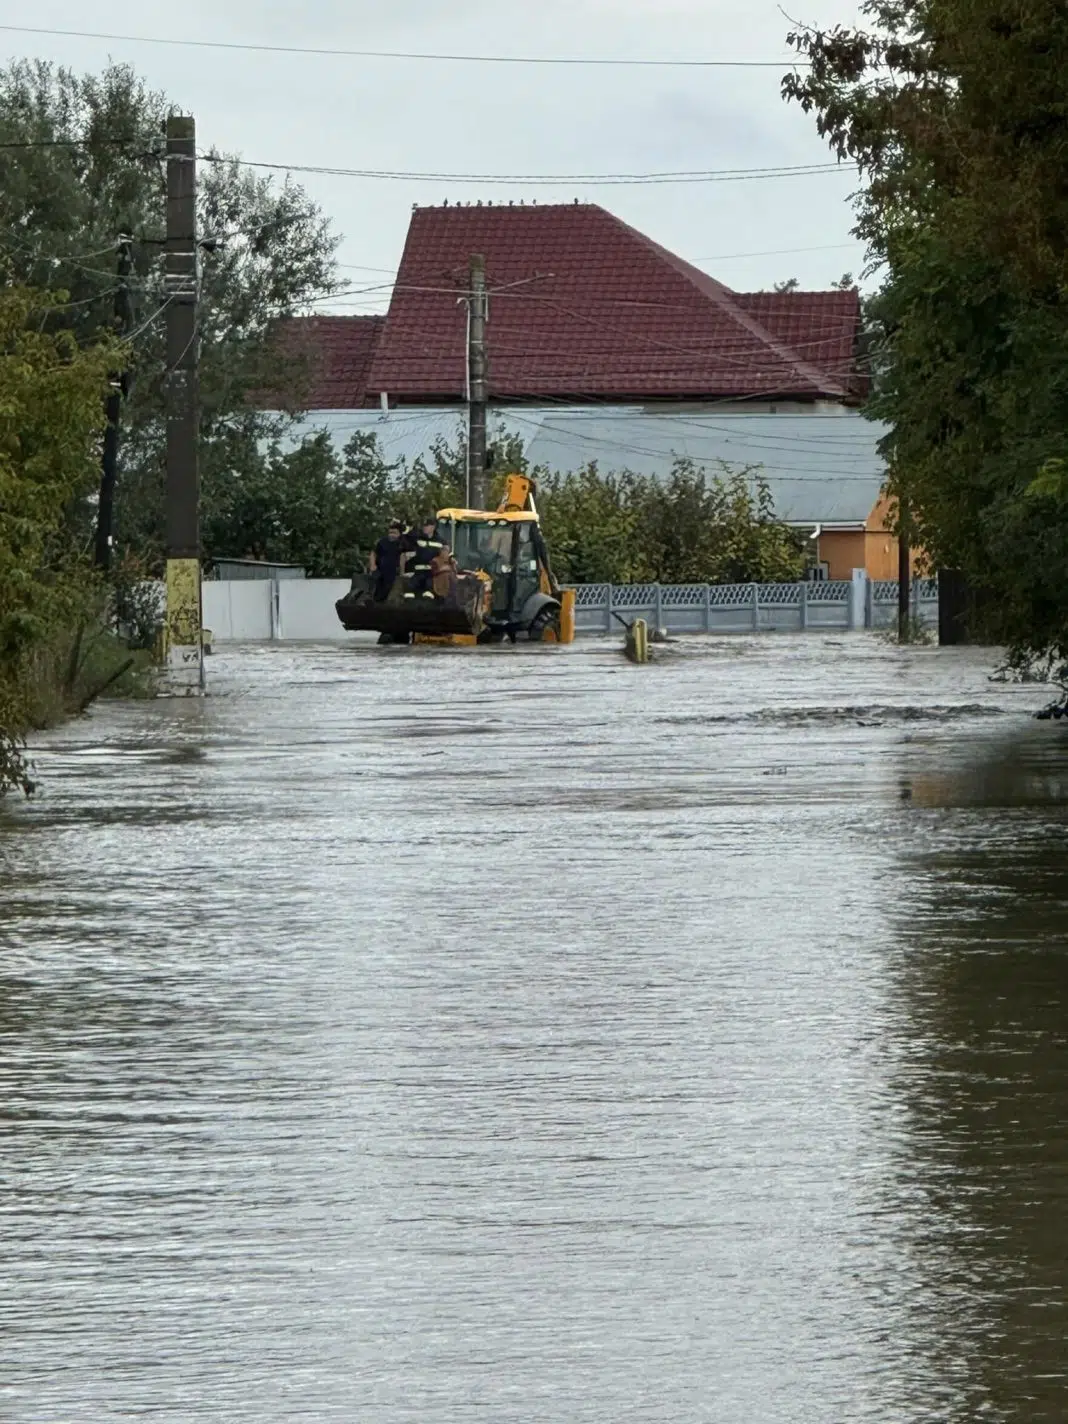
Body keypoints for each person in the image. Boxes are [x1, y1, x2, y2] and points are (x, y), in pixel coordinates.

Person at [403, 516, 443, 599]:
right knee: (410, 590)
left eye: (427, 525)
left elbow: (445, 553)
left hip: (432, 573)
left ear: (433, 527)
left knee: (429, 589)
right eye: (424, 526)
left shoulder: (440, 541)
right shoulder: (418, 537)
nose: (424, 527)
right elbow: (407, 537)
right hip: (418, 571)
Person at [368, 520, 404, 601]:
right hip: (380, 569)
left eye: (394, 533)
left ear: (399, 534)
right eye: (390, 532)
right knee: (376, 586)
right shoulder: (382, 541)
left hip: (393, 571)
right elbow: (373, 553)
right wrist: (372, 565)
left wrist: (402, 572)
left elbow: (403, 557)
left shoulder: (401, 543)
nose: (391, 535)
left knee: (388, 588)